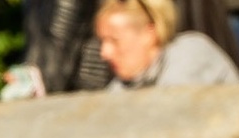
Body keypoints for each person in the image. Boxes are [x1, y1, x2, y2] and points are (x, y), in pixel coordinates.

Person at [95, 0, 239, 88]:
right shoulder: (121, 85)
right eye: (103, 41)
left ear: (149, 33)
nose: (104, 53)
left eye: (115, 41)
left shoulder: (190, 54)